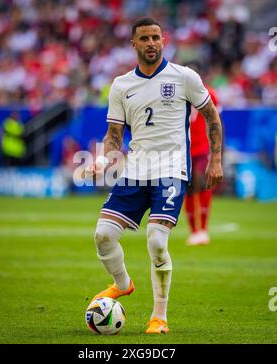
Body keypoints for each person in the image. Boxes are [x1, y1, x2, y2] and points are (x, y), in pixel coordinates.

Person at [85, 18, 223, 334]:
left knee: (157, 241)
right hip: (135, 171)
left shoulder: (184, 77)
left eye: (156, 37)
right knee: (103, 236)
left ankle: (158, 317)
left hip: (172, 170)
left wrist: (215, 160)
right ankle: (122, 284)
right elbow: (114, 134)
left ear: (163, 41)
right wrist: (104, 157)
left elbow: (211, 117)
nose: (151, 43)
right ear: (133, 44)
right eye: (145, 38)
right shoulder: (121, 85)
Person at [184, 61, 221, 246]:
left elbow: (216, 122)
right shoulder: (178, 94)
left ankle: (204, 229)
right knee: (188, 189)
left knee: (203, 184)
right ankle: (194, 231)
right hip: (183, 149)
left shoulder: (210, 94)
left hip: (202, 148)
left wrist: (218, 152)